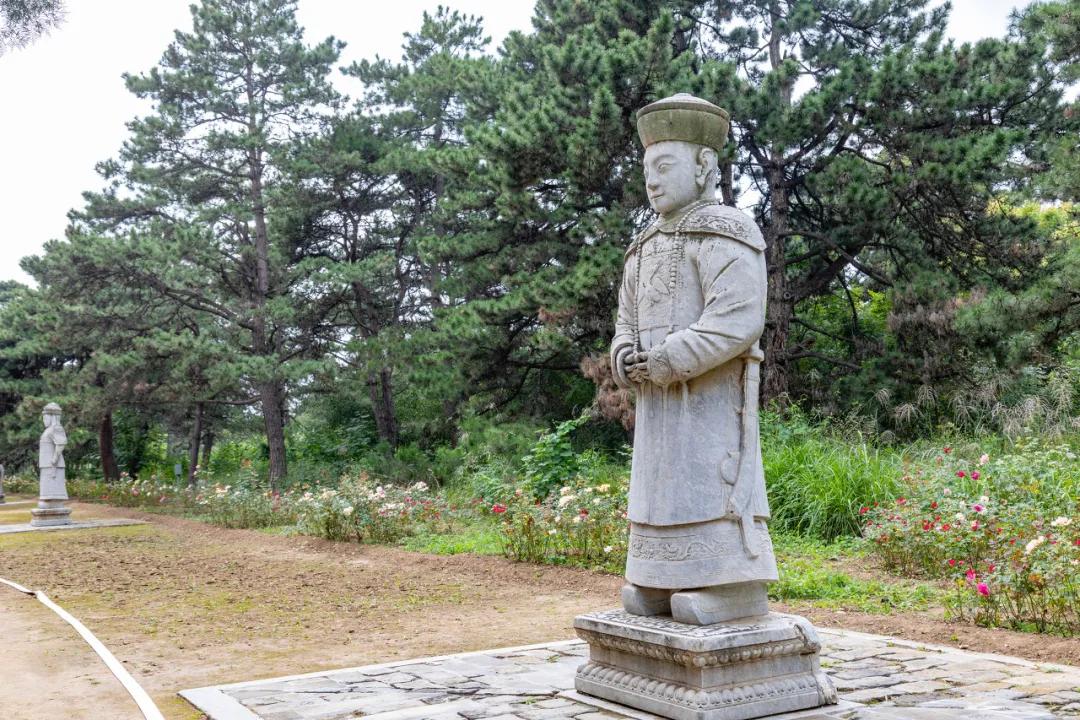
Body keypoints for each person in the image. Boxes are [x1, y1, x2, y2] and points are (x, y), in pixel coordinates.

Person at [611, 94, 778, 625]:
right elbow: (624, 320)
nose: (652, 182)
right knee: (659, 485)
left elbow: (738, 317)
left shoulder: (728, 231)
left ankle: (732, 586)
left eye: (665, 167)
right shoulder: (641, 247)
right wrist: (625, 356)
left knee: (710, 481)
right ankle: (661, 579)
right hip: (657, 404)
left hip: (709, 396)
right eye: (646, 171)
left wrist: (669, 359)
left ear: (704, 167)